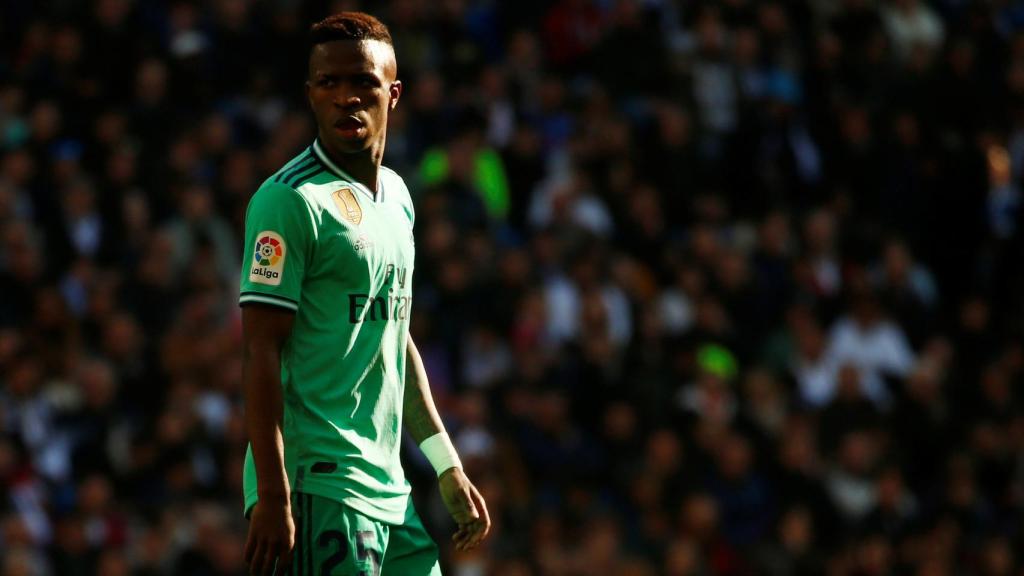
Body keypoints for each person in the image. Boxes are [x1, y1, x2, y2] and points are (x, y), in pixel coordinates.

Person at [239, 12, 490, 575]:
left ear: (393, 93)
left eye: (363, 83)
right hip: (317, 484)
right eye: (329, 83)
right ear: (310, 95)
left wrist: (445, 462)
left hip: (389, 489)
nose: (346, 97)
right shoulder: (290, 201)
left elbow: (392, 337)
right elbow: (259, 351)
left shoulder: (398, 198)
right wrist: (275, 494)